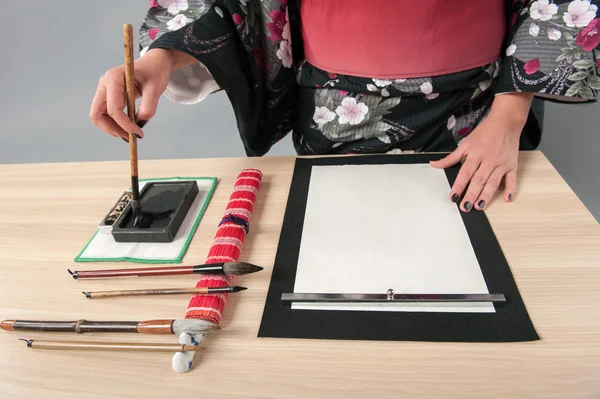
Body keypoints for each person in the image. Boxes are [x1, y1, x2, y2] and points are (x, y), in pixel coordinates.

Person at [90, 0, 600, 212]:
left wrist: (509, 118)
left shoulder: (496, 120)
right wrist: (159, 58)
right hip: (337, 113)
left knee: (492, 274)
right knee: (338, 257)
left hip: (480, 116)